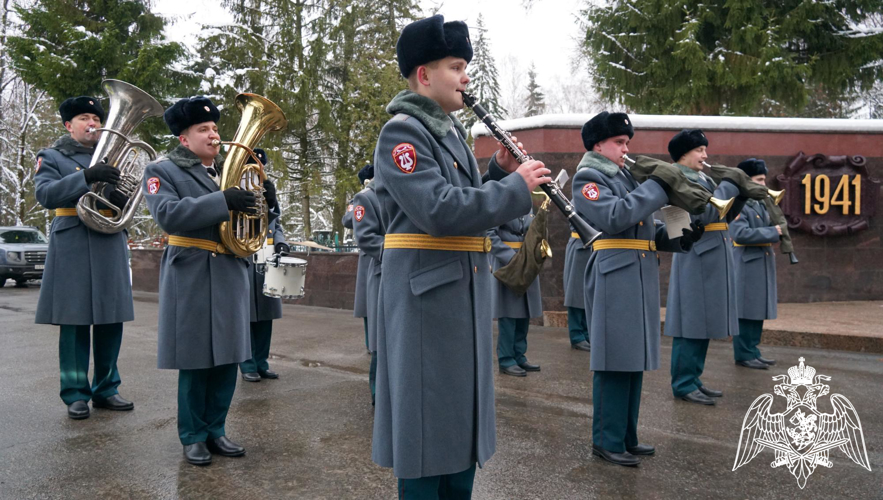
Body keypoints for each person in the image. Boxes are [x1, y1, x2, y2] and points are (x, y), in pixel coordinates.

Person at [371, 14, 551, 498]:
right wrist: (515, 188)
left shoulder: (447, 132)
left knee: (456, 424)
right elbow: (437, 209)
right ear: (423, 75)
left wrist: (496, 174)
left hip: (458, 296)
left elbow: (463, 203)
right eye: (455, 66)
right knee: (427, 428)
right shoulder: (402, 133)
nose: (466, 76)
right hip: (428, 301)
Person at [143, 96, 274, 466]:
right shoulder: (161, 170)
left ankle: (216, 429)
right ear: (184, 139)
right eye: (204, 129)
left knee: (228, 358)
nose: (214, 134)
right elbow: (169, 215)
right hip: (191, 270)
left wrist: (261, 204)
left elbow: (246, 221)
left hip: (231, 269)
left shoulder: (230, 171)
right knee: (196, 359)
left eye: (215, 128)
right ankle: (192, 435)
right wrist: (224, 200)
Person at [572, 111, 700, 467]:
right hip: (614, 274)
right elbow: (615, 217)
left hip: (636, 274)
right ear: (598, 144)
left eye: (627, 142)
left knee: (632, 360)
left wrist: (683, 230)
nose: (626, 149)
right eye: (619, 143)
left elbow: (647, 232)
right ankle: (606, 440)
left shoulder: (626, 176)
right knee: (614, 361)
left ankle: (626, 436)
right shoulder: (589, 177)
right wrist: (660, 185)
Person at [34, 96, 135, 420]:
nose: (92, 123)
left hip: (108, 241)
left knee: (110, 321)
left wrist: (120, 195)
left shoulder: (112, 157)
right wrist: (87, 177)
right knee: (75, 324)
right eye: (83, 118)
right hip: (73, 243)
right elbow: (46, 195)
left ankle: (107, 389)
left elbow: (125, 200)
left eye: (95, 117)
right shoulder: (52, 156)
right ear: (69, 125)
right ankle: (75, 394)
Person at [664, 130, 744, 406]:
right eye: (699, 150)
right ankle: (683, 383)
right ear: (684, 153)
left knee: (704, 322)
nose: (705, 155)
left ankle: (693, 378)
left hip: (712, 255)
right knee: (691, 323)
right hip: (694, 255)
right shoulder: (675, 178)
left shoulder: (703, 178)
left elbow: (723, 214)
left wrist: (740, 195)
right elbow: (693, 218)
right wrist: (728, 187)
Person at [485, 171, 543, 376]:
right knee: (509, 314)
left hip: (526, 260)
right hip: (508, 262)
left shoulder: (526, 202)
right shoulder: (501, 201)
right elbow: (489, 233)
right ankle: (506, 358)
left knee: (524, 313)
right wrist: (510, 257)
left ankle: (520, 355)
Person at [240, 148, 289, 382]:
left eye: (261, 168)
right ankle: (247, 363)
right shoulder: (237, 189)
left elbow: (276, 226)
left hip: (266, 256)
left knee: (265, 316)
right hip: (245, 256)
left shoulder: (266, 188)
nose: (260, 172)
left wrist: (281, 244)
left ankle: (261, 362)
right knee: (247, 315)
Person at [731, 158, 780, 370]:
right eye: (759, 180)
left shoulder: (759, 203)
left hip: (760, 262)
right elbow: (740, 234)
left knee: (757, 310)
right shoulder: (739, 203)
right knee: (746, 311)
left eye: (764, 179)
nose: (763, 184)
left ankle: (753, 350)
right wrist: (773, 232)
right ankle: (743, 353)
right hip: (746, 264)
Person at [351, 165, 383, 404]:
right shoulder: (367, 196)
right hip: (382, 269)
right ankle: (378, 393)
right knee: (379, 340)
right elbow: (366, 236)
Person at [343, 166, 375, 352]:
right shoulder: (360, 197)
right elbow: (347, 219)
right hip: (368, 255)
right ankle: (371, 343)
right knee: (367, 304)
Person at [563, 227, 592, 351]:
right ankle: (576, 336)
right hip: (580, 245)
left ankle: (586, 333)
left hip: (592, 246)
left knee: (587, 294)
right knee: (575, 294)